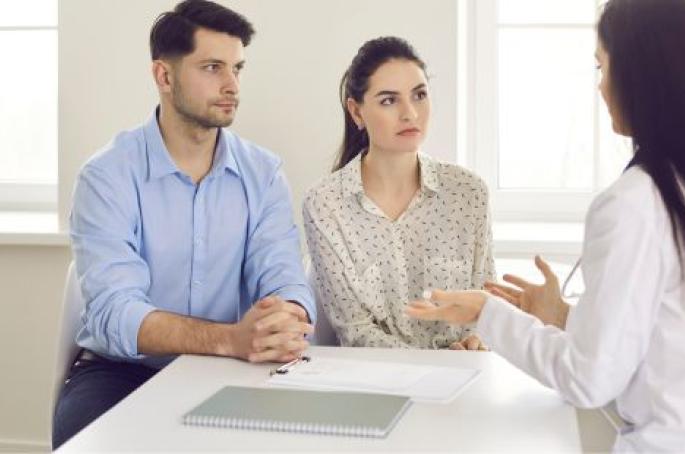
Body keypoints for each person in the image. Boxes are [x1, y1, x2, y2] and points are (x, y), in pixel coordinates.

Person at [406, 0, 685, 451]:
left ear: (640, 76)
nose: (600, 86)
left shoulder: (634, 204)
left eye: (602, 67)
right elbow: (677, 337)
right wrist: (565, 318)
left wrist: (487, 312)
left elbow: (588, 378)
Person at [53, 0, 315, 448]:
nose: (232, 84)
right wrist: (230, 339)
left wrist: (287, 318)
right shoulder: (107, 176)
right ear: (164, 76)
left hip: (236, 368)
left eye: (237, 68)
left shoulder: (263, 173)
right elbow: (116, 312)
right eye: (213, 67)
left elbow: (284, 275)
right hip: (122, 371)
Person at [303, 37, 495, 349]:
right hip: (376, 384)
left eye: (419, 95)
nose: (410, 114)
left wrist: (476, 341)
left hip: (463, 377)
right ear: (357, 112)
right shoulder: (325, 204)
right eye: (389, 100)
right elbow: (355, 331)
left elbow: (486, 304)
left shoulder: (469, 193)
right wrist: (434, 365)